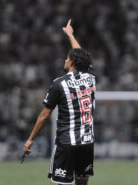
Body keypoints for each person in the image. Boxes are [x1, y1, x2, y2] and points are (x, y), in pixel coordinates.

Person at [23, 19, 96, 185]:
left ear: (71, 62)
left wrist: (30, 139)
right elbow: (82, 56)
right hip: (86, 142)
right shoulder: (90, 79)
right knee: (82, 183)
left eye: (67, 57)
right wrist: (70, 34)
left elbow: (44, 115)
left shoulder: (59, 83)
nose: (65, 59)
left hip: (66, 144)